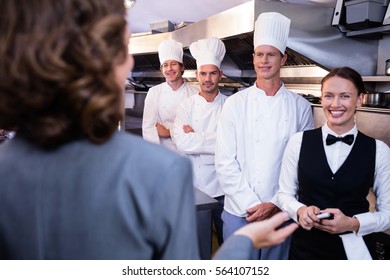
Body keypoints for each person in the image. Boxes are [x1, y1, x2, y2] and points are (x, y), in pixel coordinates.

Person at [0, 0, 297, 260]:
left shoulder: (6, 167)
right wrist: (243, 244)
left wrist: (186, 137)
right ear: (118, 61)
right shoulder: (159, 173)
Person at [215, 12, 314, 260]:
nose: (264, 60)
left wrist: (275, 204)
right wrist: (252, 203)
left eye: (271, 54)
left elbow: (302, 164)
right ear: (253, 58)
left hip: (280, 210)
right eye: (259, 54)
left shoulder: (300, 106)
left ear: (283, 59)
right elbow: (225, 161)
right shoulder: (236, 104)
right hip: (240, 211)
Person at [277, 66, 390, 260]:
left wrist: (353, 223)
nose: (335, 104)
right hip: (305, 251)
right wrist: (300, 210)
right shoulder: (298, 142)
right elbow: (283, 195)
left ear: (360, 99)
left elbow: (388, 213)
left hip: (355, 253)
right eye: (329, 96)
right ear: (321, 98)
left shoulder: (379, 150)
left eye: (345, 96)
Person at [173, 37, 227, 246]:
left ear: (220, 75)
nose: (207, 78)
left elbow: (233, 143)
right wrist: (217, 138)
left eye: (212, 73)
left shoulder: (231, 105)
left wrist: (196, 136)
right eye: (203, 73)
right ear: (196, 75)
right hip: (196, 188)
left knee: (227, 247)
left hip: (225, 189)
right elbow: (181, 142)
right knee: (198, 246)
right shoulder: (186, 106)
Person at [142, 39, 198, 153]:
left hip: (189, 155)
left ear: (182, 67)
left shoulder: (196, 93)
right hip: (162, 155)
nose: (169, 69)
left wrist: (168, 132)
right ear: (161, 69)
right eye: (165, 65)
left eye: (173, 64)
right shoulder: (154, 92)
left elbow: (197, 129)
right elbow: (149, 129)